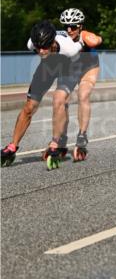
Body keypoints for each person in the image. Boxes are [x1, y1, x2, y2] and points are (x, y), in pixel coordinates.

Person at [1, 20, 84, 169]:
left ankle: (55, 143)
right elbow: (40, 49)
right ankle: (13, 146)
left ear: (52, 42)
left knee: (58, 100)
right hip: (47, 67)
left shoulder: (69, 48)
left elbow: (83, 42)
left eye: (45, 47)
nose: (41, 52)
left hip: (69, 67)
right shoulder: (31, 43)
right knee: (29, 107)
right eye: (38, 48)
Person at [58, 8, 103, 160]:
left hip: (89, 68)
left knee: (82, 95)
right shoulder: (61, 36)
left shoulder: (84, 35)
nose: (69, 30)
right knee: (61, 100)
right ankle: (62, 137)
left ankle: (82, 135)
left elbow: (97, 40)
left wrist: (87, 38)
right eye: (66, 26)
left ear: (81, 26)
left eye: (74, 26)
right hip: (69, 68)